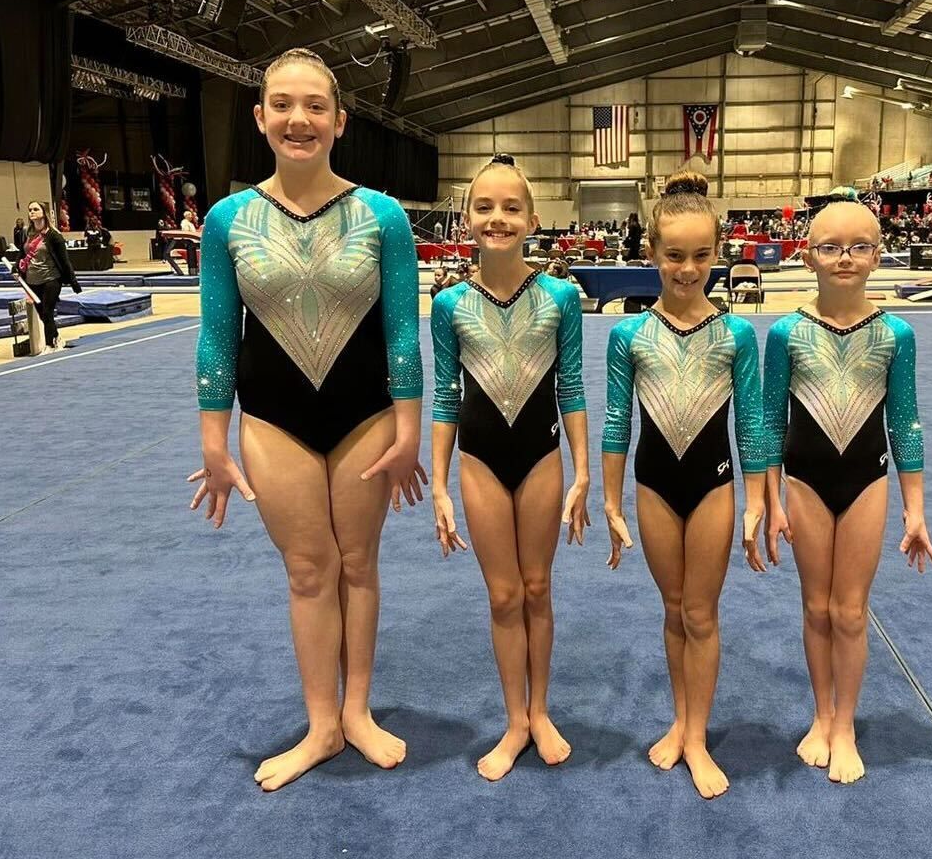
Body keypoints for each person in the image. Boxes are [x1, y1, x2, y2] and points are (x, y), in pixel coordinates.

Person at [188, 48, 426, 792]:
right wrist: (213, 442)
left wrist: (410, 431)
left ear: (339, 121)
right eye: (283, 104)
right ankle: (322, 725)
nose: (300, 118)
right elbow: (217, 336)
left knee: (358, 564)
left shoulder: (382, 216)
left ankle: (357, 711)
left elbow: (399, 333)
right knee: (307, 569)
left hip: (366, 417)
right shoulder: (228, 220)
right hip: (272, 419)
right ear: (260, 118)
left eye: (315, 105)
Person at [602, 171, 767, 800]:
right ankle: (680, 720)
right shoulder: (629, 335)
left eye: (701, 255)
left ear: (717, 254)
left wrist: (757, 501)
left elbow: (751, 422)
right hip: (652, 485)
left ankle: (697, 736)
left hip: (714, 486)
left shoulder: (736, 335)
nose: (688, 269)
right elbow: (617, 421)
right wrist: (610, 502)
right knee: (672, 610)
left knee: (702, 612)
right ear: (651, 253)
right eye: (674, 255)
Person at [763, 200, 932, 786]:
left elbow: (905, 422)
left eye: (858, 246)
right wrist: (767, 500)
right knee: (816, 606)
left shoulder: (896, 334)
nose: (845, 258)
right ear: (808, 253)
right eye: (831, 247)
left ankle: (845, 724)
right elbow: (767, 421)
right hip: (804, 482)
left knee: (850, 610)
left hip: (867, 481)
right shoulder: (787, 332)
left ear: (877, 254)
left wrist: (915, 509)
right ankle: (820, 713)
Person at [430, 153, 589, 782]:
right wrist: (438, 484)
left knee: (537, 588)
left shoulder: (559, 297)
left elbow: (571, 386)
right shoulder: (449, 305)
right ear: (466, 218)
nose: (498, 218)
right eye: (485, 206)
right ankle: (515, 720)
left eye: (511, 207)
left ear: (533, 218)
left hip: (543, 455)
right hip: (479, 459)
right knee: (502, 595)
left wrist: (582, 472)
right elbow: (445, 395)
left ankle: (542, 711)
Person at [13, 201, 81, 353]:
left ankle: (49, 345)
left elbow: (65, 260)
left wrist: (74, 282)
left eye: (35, 209)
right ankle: (56, 337)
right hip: (32, 280)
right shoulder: (28, 232)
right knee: (43, 314)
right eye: (30, 209)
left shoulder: (53, 235)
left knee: (47, 311)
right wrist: (15, 267)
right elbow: (21, 253)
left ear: (43, 212)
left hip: (51, 279)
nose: (32, 212)